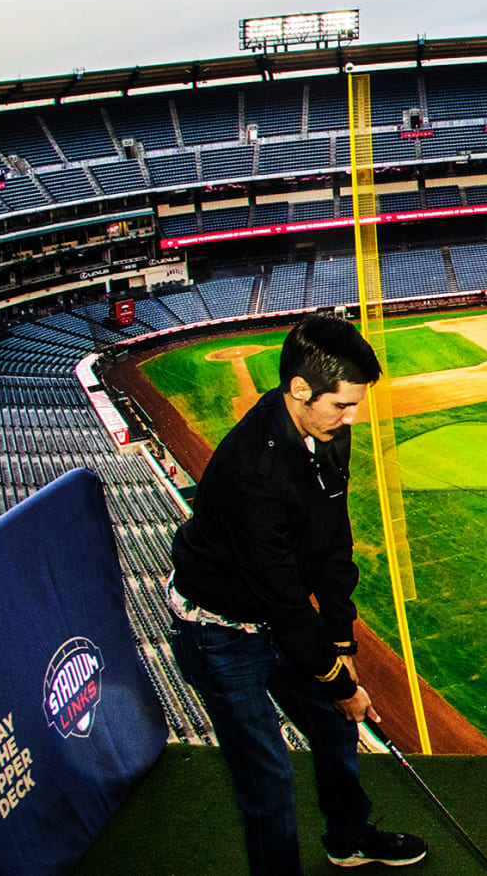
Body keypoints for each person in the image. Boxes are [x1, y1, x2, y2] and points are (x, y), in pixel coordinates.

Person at [167, 313, 428, 871]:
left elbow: (335, 540)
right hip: (218, 632)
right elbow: (283, 600)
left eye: (357, 403)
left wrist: (340, 641)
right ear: (300, 389)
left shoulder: (328, 427)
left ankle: (349, 837)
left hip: (273, 617)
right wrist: (339, 683)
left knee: (335, 726)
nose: (353, 416)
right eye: (343, 404)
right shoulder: (253, 472)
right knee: (267, 776)